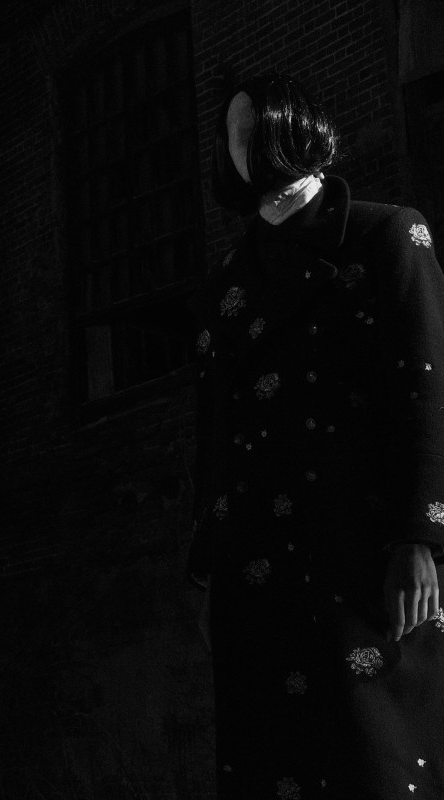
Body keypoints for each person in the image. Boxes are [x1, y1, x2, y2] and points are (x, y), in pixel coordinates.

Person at [190, 74, 444, 798]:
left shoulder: (387, 235)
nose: (241, 149)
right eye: (231, 139)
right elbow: (213, 436)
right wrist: (208, 571)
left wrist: (420, 538)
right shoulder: (226, 288)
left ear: (292, 128)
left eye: (251, 131)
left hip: (364, 555)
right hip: (258, 567)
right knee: (272, 764)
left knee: (379, 761)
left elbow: (426, 386)